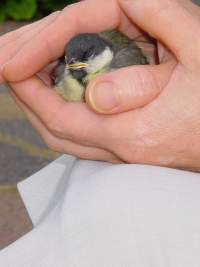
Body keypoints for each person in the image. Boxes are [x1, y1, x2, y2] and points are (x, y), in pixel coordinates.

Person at [0, 0, 200, 266]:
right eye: (71, 64)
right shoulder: (66, 74)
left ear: (103, 52)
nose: (74, 69)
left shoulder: (123, 64)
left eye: (85, 61)